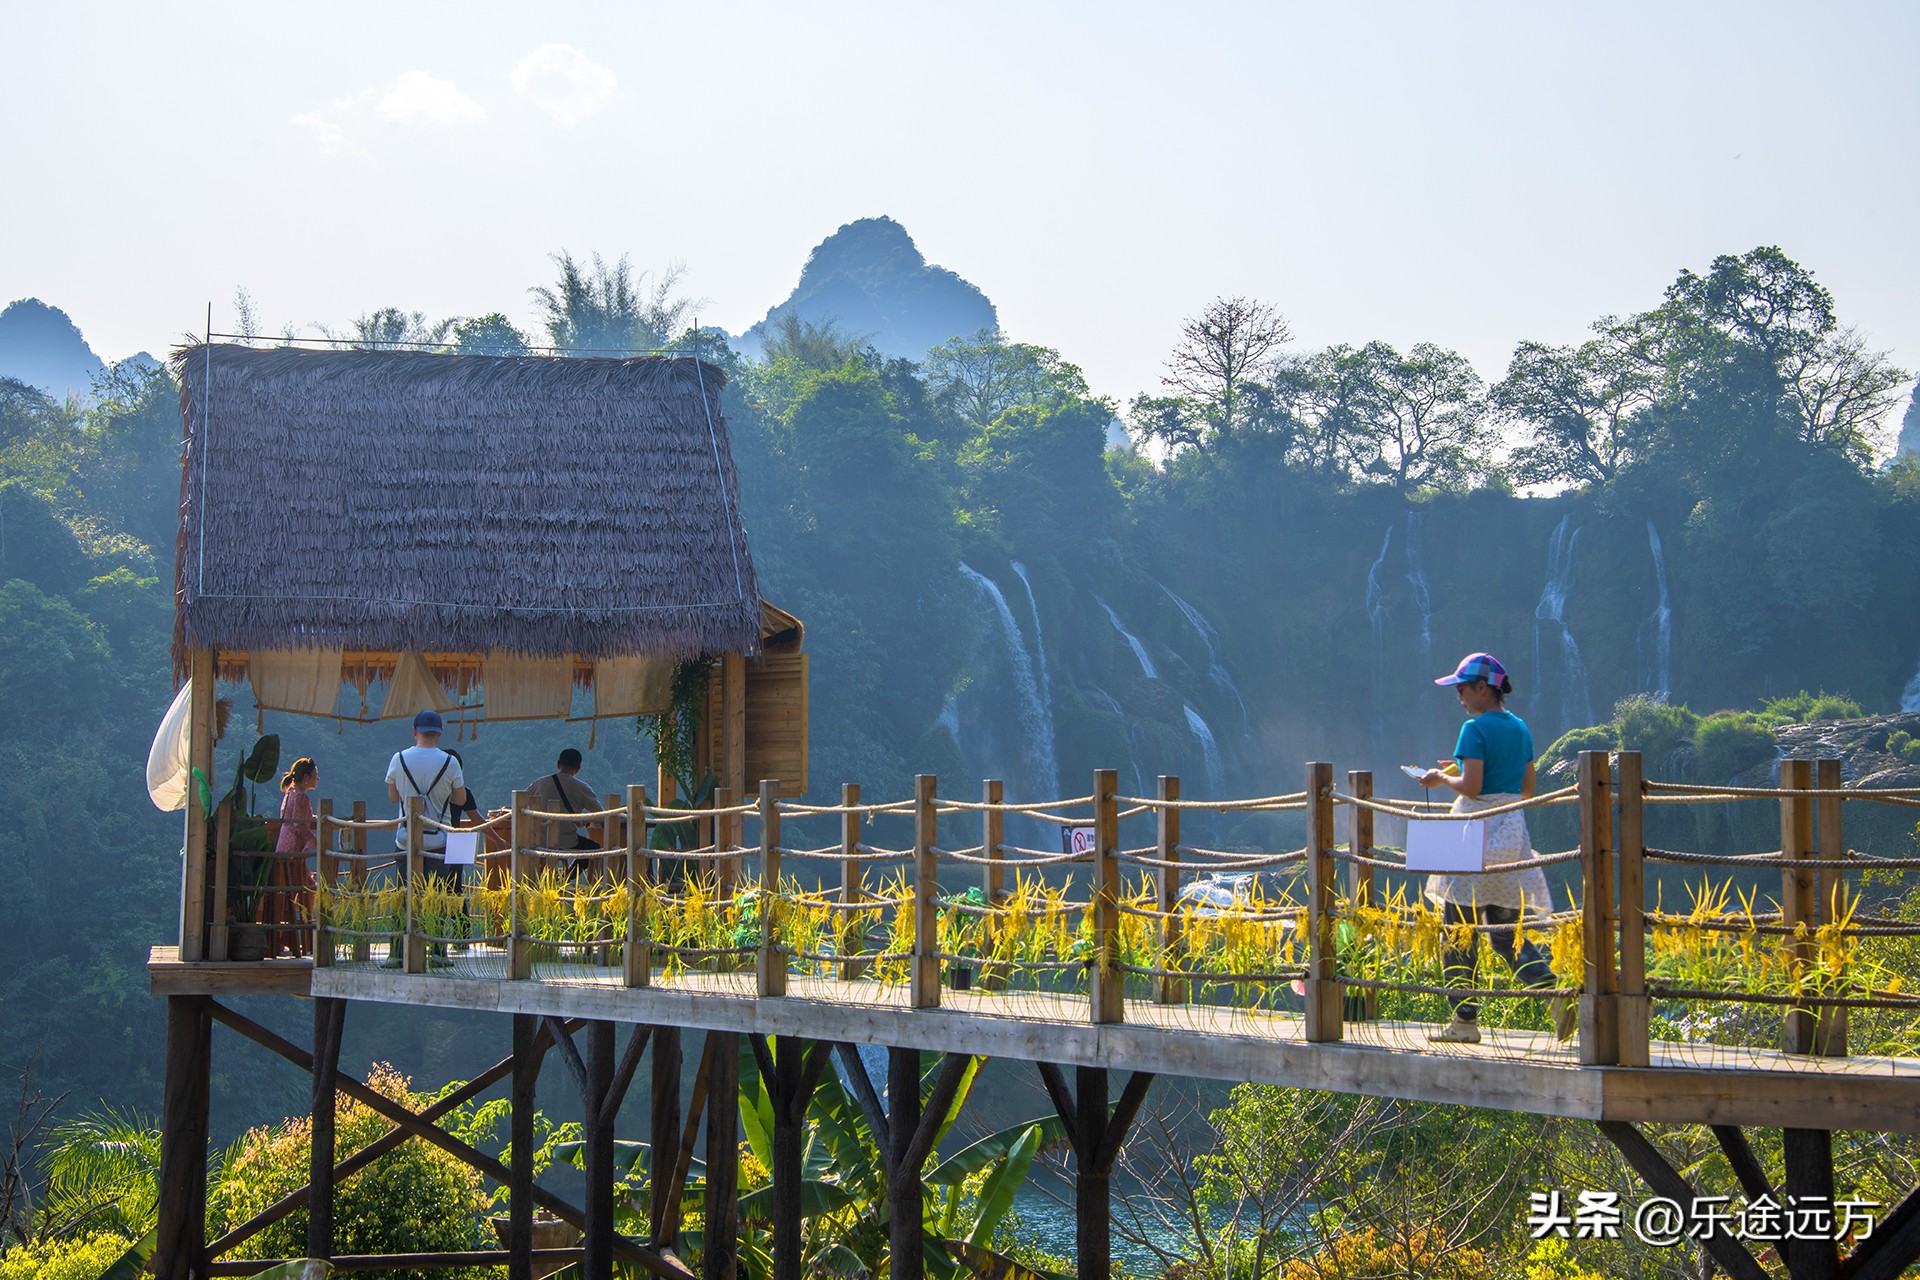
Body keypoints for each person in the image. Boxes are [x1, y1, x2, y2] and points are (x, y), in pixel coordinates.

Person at [1418, 653, 1573, 1045]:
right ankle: (1555, 996)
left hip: (1471, 832)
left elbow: (1471, 789)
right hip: (1510, 837)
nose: (1459, 696)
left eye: (1462, 688)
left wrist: (1441, 778)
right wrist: (1463, 771)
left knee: (1458, 933)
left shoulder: (1473, 728)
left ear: (1482, 688)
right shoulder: (1520, 728)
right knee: (1506, 935)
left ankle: (1465, 1022)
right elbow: (1526, 789)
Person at [385, 709, 468, 896]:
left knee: (404, 898)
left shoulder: (398, 759)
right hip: (439, 842)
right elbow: (460, 799)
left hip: (406, 840)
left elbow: (392, 798)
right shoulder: (450, 762)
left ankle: (404, 926)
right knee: (435, 900)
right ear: (439, 733)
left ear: (415, 731)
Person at [266, 756, 319, 958]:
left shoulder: (292, 793)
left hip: (285, 848)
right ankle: (299, 939)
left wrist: (317, 820)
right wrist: (313, 840)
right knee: (305, 891)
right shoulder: (300, 796)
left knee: (294, 893)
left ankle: (288, 939)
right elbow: (298, 824)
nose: (318, 779)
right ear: (306, 777)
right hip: (291, 852)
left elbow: (301, 819)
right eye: (315, 775)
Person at [527, 748, 601, 877]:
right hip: (566, 840)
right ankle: (565, 878)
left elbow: (521, 803)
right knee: (594, 848)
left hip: (537, 839)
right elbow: (601, 815)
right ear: (578, 768)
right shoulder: (582, 787)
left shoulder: (539, 783)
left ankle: (543, 878)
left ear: (558, 764)